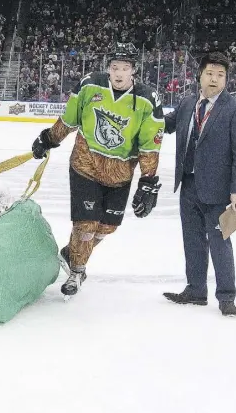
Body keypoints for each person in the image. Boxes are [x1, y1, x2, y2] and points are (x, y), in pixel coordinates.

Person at [31, 43, 165, 297]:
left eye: (125, 68)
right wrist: (49, 139)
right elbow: (70, 119)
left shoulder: (148, 100)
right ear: (108, 68)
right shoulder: (90, 85)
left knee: (107, 227)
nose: (119, 73)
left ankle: (72, 253)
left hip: (120, 174)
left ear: (133, 71)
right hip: (85, 166)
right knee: (86, 225)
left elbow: (150, 144)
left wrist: (148, 180)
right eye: (115, 67)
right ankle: (77, 271)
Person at [163, 52, 236, 317]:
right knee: (192, 240)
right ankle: (195, 290)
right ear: (200, 76)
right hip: (189, 184)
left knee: (220, 241)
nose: (215, 79)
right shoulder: (187, 103)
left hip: (218, 189)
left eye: (220, 75)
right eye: (210, 73)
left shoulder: (232, 108)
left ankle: (227, 296)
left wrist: (235, 189)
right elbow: (163, 125)